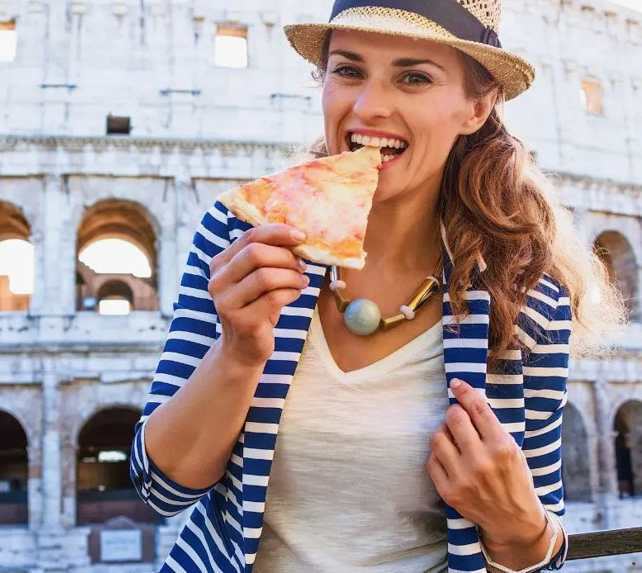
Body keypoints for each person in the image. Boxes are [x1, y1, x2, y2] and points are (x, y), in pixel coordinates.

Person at [130, 1, 625, 571]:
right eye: (348, 70)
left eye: (414, 77)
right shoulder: (242, 236)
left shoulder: (529, 298)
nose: (368, 107)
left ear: (477, 105)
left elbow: (536, 548)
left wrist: (519, 524)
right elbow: (161, 491)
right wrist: (238, 354)